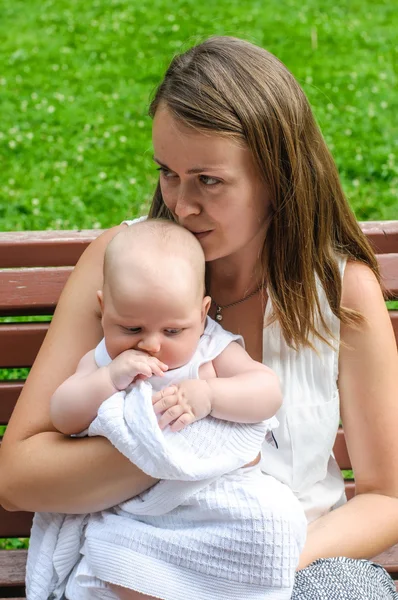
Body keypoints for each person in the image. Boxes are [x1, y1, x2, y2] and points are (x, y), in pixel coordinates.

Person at [1, 35, 397, 600]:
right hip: (144, 563)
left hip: (295, 562)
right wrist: (194, 450)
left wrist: (261, 562)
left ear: (277, 174)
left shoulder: (342, 291)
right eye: (168, 173)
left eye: (208, 180)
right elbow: (17, 478)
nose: (182, 205)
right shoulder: (122, 269)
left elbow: (386, 498)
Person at [37, 218, 305, 600]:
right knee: (112, 549)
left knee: (273, 519)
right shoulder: (102, 361)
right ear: (103, 308)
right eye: (130, 328)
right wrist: (108, 379)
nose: (151, 344)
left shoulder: (213, 349)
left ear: (201, 313)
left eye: (172, 331)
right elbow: (63, 414)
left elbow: (267, 391)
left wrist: (210, 395)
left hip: (213, 501)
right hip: (140, 510)